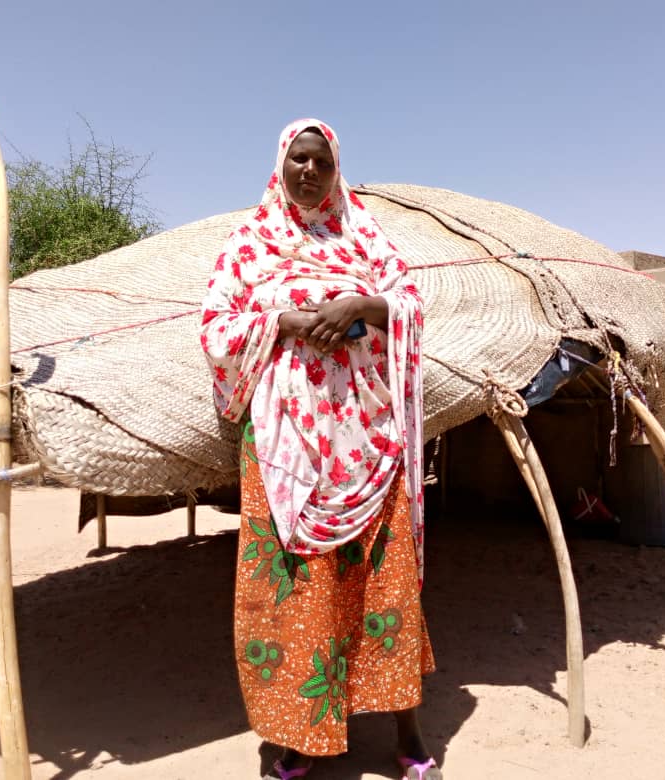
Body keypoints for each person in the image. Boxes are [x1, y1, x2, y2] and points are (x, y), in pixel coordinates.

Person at [200, 119, 441, 780]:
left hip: (368, 435)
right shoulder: (249, 242)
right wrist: (287, 320)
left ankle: (409, 733)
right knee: (297, 590)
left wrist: (363, 303)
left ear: (337, 170)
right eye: (299, 159)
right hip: (286, 443)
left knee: (384, 582)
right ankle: (299, 736)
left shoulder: (364, 236)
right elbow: (217, 327)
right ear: (281, 164)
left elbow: (414, 305)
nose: (310, 171)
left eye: (322, 162)